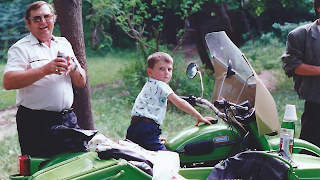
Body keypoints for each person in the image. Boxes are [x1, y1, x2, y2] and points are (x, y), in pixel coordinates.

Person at [2, 1, 86, 158]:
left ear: (54, 18)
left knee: (78, 162)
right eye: (37, 18)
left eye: (47, 16)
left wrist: (73, 68)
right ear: (28, 22)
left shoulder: (64, 43)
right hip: (36, 122)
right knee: (42, 169)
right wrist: (44, 70)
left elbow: (81, 82)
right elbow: (8, 82)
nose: (43, 22)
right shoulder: (20, 48)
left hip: (67, 119)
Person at [126, 52, 213, 151]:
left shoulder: (149, 84)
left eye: (169, 69)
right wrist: (199, 116)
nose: (166, 72)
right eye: (161, 69)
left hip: (135, 127)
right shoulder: (161, 85)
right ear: (150, 72)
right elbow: (181, 103)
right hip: (148, 128)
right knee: (166, 158)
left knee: (134, 155)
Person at [281, 0, 320, 148]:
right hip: (316, 103)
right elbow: (291, 65)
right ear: (318, 8)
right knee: (311, 148)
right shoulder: (300, 35)